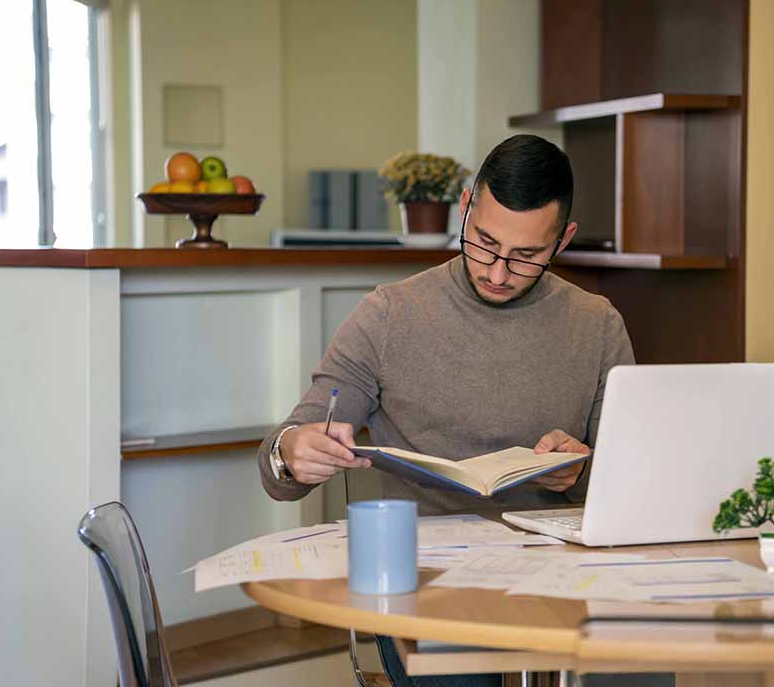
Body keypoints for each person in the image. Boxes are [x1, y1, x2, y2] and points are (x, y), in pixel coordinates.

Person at [258, 134, 635, 686]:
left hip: (561, 572)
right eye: (483, 243)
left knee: (635, 663)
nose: (498, 271)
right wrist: (291, 453)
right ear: (464, 209)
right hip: (428, 579)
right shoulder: (389, 315)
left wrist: (586, 466)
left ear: (564, 238)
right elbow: (283, 458)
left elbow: (631, 482)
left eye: (527, 255)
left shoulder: (597, 324)